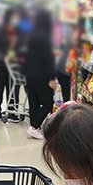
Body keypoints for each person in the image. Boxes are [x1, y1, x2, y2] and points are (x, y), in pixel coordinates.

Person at [23, 9, 57, 140]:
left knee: (34, 102)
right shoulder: (47, 37)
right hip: (41, 75)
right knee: (48, 102)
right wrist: (52, 77)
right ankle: (35, 126)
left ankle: (33, 127)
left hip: (29, 73)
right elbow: (49, 59)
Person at [0, 6, 24, 123]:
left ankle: (12, 111)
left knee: (13, 87)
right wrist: (2, 57)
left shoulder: (19, 31)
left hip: (14, 65)